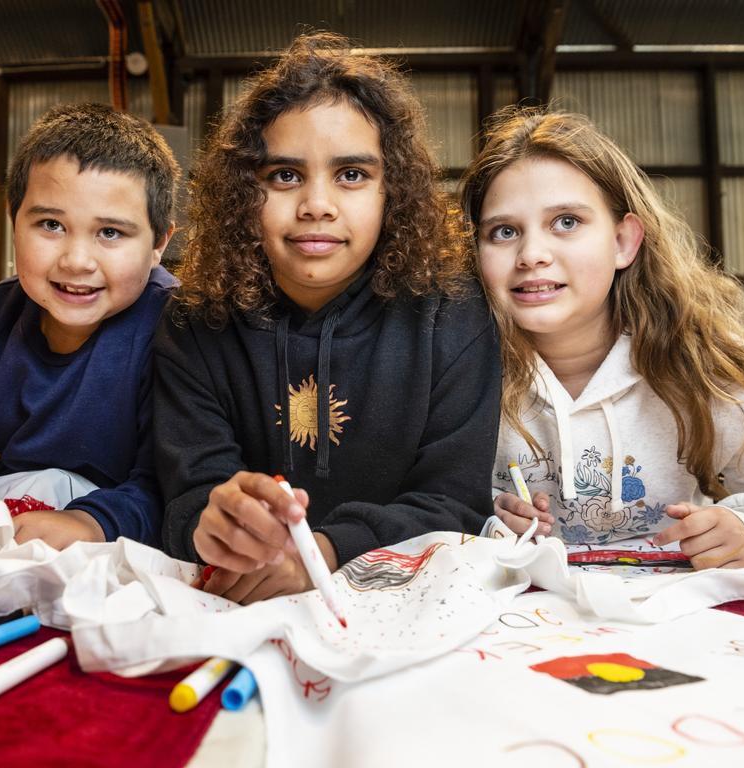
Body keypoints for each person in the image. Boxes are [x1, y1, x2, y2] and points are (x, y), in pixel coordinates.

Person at [155, 32, 501, 604]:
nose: (316, 203)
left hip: (407, 603)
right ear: (244, 193)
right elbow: (185, 494)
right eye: (284, 176)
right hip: (238, 601)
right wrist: (214, 524)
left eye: (352, 175)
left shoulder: (454, 312)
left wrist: (324, 552)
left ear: (394, 192)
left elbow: (455, 502)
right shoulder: (192, 322)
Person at [461, 107, 744, 570]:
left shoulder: (698, 363)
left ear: (623, 242)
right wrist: (481, 516)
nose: (532, 254)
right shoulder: (455, 372)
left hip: (667, 621)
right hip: (516, 625)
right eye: (504, 231)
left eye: (566, 222)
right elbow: (417, 502)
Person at [0, 103, 179, 549]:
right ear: (13, 218)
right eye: (50, 224)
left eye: (111, 233)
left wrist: (91, 523)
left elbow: (179, 482)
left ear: (159, 243)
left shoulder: (182, 328)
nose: (77, 261)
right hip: (3, 550)